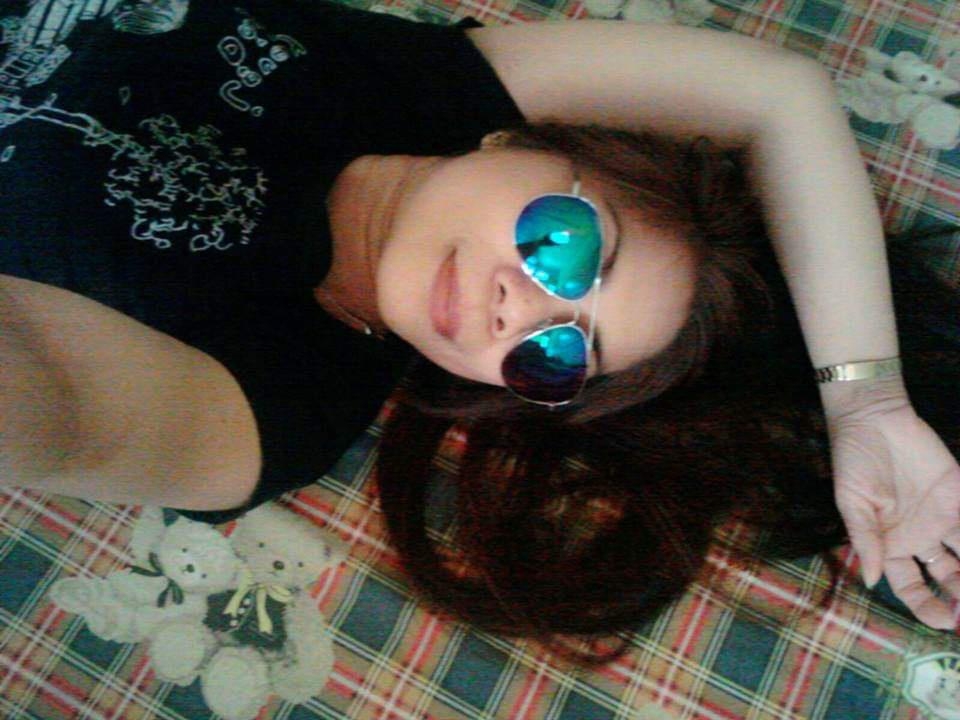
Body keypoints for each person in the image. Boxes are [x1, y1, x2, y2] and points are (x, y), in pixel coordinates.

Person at [0, 0, 957, 650]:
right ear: (522, 137)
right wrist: (867, 401)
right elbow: (781, 96)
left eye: (557, 354)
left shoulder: (278, 406)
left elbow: (64, 403)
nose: (520, 311)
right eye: (566, 247)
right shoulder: (418, 80)